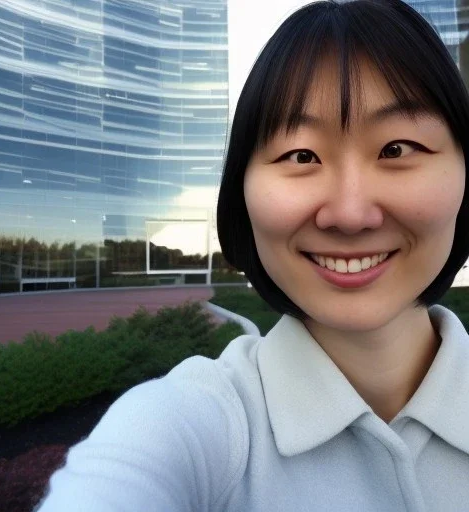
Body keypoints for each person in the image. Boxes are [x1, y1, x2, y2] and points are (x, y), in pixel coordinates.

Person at [36, 1, 469, 510]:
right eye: (301, 155)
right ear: (241, 188)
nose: (351, 214)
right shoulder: (194, 426)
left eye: (396, 148)